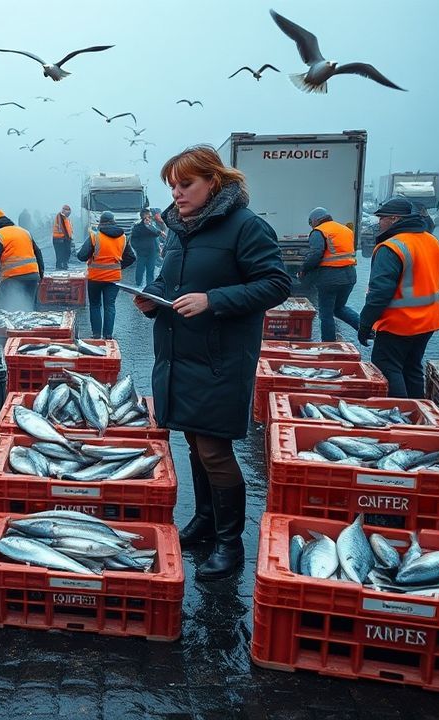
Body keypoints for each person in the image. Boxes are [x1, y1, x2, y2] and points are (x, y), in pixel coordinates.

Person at [134, 145, 291, 581]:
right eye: (172, 186)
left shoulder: (246, 227)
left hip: (221, 356)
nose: (177, 194)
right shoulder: (180, 228)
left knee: (215, 448)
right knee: (194, 442)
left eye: (186, 184)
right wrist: (154, 296)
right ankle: (205, 523)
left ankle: (230, 543)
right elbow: (172, 279)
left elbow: (276, 283)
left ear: (214, 183)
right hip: (179, 354)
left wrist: (214, 300)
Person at [358, 196, 439, 399]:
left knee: (388, 368)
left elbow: (379, 294)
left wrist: (365, 325)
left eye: (381, 218)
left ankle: (401, 417)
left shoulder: (391, 247)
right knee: (412, 368)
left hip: (398, 324)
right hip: (428, 322)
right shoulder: (433, 241)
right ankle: (418, 415)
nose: (378, 222)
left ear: (394, 218)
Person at [299, 206, 361, 341]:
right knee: (339, 308)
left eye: (311, 223)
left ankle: (329, 345)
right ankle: (366, 330)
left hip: (330, 278)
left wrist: (304, 269)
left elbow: (316, 254)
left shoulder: (319, 231)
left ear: (315, 220)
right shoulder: (345, 229)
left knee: (326, 314)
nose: (311, 226)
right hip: (350, 275)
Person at [76, 210, 136, 338]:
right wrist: (119, 266)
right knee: (110, 306)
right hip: (113, 278)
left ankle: (96, 334)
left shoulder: (95, 236)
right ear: (114, 221)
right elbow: (131, 257)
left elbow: (81, 256)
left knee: (95, 305)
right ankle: (108, 335)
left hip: (95, 277)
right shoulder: (123, 237)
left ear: (101, 222)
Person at [0, 209, 45, 310]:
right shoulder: (24, 232)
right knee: (28, 308)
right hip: (32, 276)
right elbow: (38, 252)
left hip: (13, 278)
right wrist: (41, 274)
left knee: (5, 310)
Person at [129, 208, 165, 287]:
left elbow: (156, 234)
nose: (149, 218)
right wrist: (138, 249)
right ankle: (138, 284)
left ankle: (150, 285)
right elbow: (133, 240)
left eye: (150, 216)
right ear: (143, 216)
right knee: (140, 269)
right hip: (142, 252)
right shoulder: (137, 227)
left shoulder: (152, 226)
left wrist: (157, 249)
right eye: (148, 216)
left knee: (150, 269)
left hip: (152, 252)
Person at [51, 204, 74, 270]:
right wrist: (68, 237)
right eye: (68, 211)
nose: (69, 213)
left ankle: (63, 264)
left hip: (65, 238)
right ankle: (60, 266)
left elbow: (69, 228)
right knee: (60, 253)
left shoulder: (66, 218)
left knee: (67, 252)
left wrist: (70, 237)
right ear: (64, 210)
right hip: (59, 239)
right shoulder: (60, 216)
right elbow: (63, 227)